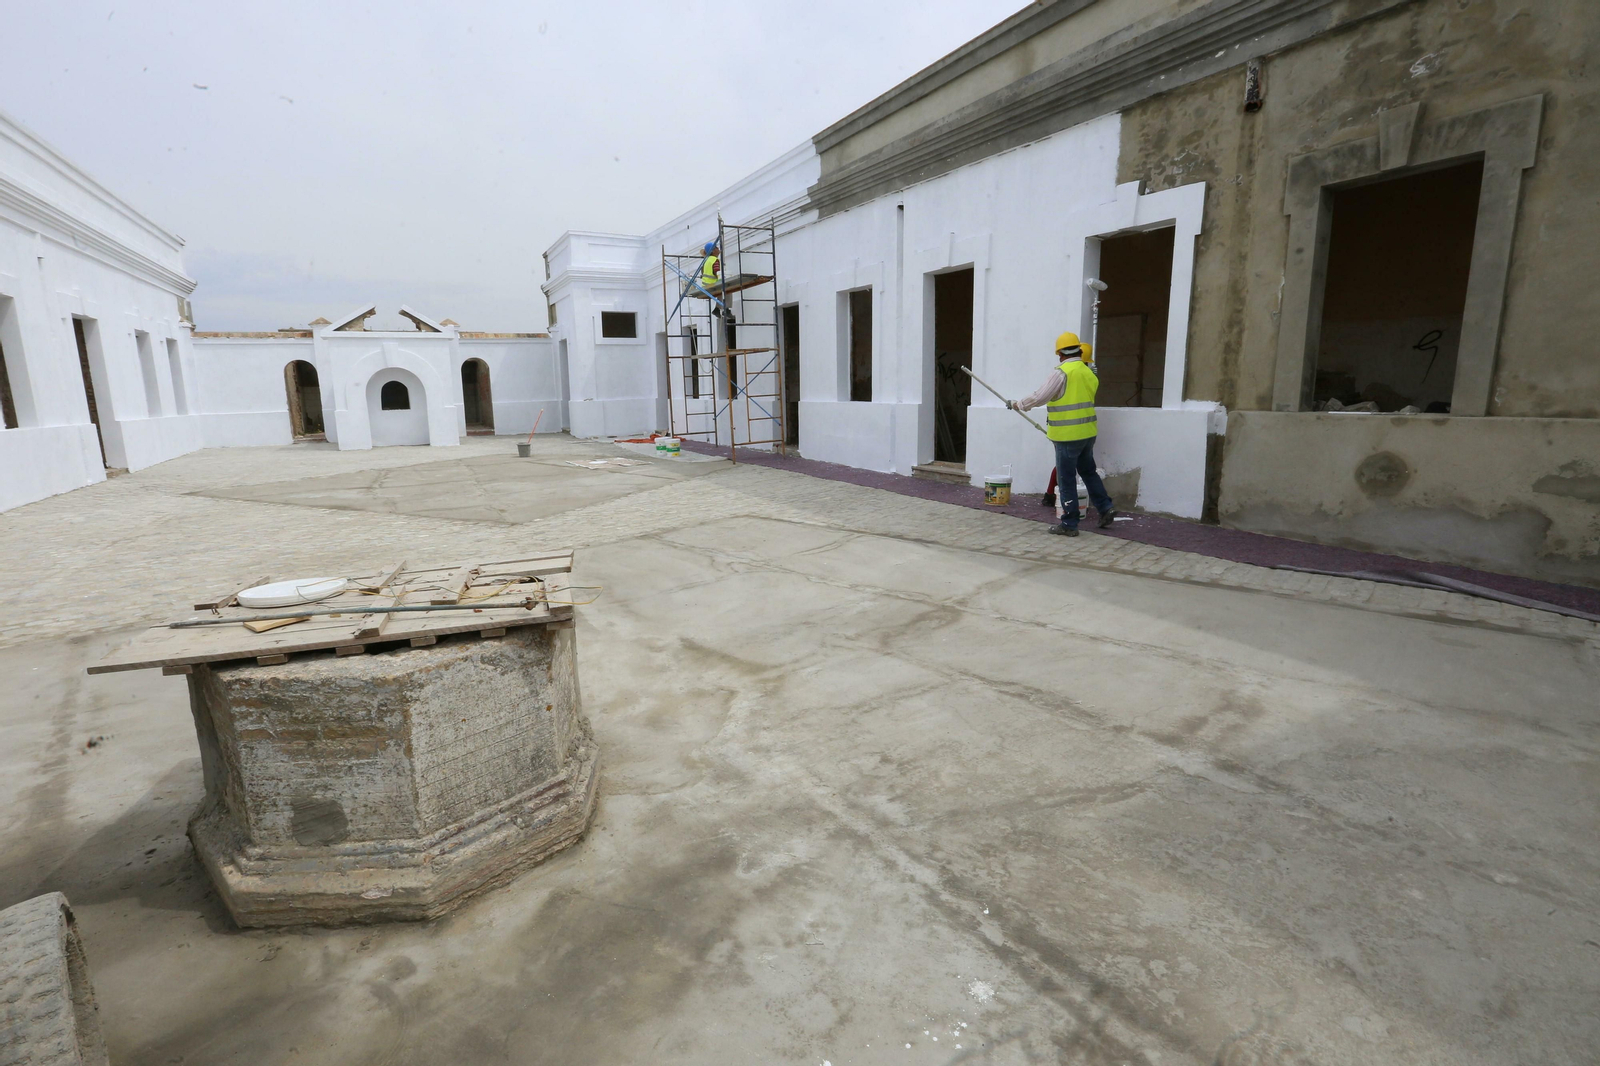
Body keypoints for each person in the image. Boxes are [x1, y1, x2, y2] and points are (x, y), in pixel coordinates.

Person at [1009, 332, 1115, 537]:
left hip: (1067, 436)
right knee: (1088, 472)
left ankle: (1069, 523)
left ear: (1060, 354)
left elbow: (1040, 397)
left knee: (1066, 479)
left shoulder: (1061, 373)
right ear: (1079, 351)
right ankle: (1105, 508)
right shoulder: (1089, 374)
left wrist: (1018, 404)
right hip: (1088, 433)